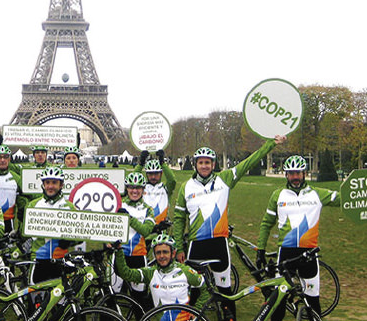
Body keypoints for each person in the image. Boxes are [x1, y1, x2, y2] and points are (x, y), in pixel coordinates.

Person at [173, 135, 286, 321]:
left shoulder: (224, 179)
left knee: (225, 290)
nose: (204, 166)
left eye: (208, 162)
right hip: (196, 246)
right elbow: (178, 219)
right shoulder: (186, 187)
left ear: (213, 164)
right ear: (195, 164)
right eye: (201, 162)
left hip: (219, 245)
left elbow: (249, 162)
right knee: (194, 291)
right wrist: (178, 247)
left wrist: (271, 144)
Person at [257, 155, 340, 321]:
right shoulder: (277, 195)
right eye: (291, 173)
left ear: (305, 173)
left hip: (309, 253)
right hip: (286, 254)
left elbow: (344, 199)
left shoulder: (317, 194)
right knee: (278, 302)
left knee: (312, 300)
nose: (295, 177)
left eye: (299, 173)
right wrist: (261, 249)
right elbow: (266, 224)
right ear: (286, 175)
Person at [112, 234, 208, 313]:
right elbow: (126, 274)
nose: (162, 256)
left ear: (173, 254)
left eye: (165, 252)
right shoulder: (150, 273)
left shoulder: (186, 271)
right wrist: (119, 251)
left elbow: (206, 288)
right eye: (158, 253)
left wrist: (197, 311)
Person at [24, 166, 78, 284]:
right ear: (43, 184)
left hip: (60, 259)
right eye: (47, 182)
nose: (50, 186)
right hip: (39, 258)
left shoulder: (69, 207)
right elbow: (25, 232)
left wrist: (69, 240)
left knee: (61, 298)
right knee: (36, 298)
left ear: (61, 185)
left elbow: (79, 235)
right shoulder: (33, 205)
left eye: (54, 182)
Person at [111, 172, 156, 309]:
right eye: (131, 187)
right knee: (113, 295)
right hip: (119, 255)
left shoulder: (148, 209)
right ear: (126, 188)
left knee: (139, 298)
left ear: (143, 190)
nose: (134, 191)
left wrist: (128, 218)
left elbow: (146, 231)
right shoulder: (118, 205)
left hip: (138, 256)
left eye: (138, 188)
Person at [0, 144, 26, 232]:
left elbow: (26, 196)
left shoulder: (16, 177)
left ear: (9, 159)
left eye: (5, 157)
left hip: (9, 222)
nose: (2, 160)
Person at [134, 149, 175, 225]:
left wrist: (163, 163)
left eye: (156, 174)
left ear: (161, 173)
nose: (153, 177)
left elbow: (172, 180)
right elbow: (133, 180)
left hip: (162, 226)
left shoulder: (165, 189)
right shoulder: (142, 188)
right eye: (150, 174)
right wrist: (141, 164)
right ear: (146, 174)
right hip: (145, 226)